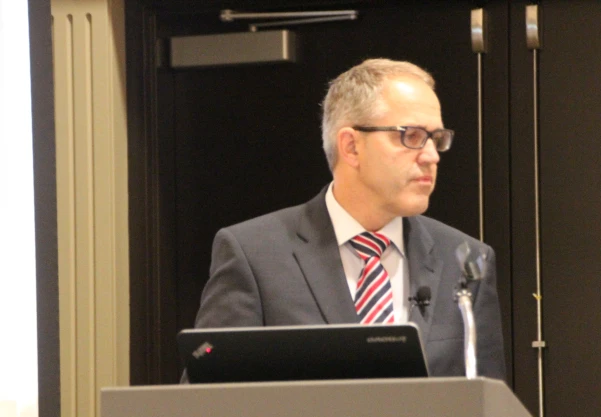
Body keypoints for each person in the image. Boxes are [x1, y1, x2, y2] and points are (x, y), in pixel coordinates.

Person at [192, 58, 505, 380]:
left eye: (436, 138)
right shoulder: (254, 255)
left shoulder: (465, 260)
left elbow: (490, 409)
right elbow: (209, 400)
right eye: (411, 136)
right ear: (351, 146)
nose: (431, 156)